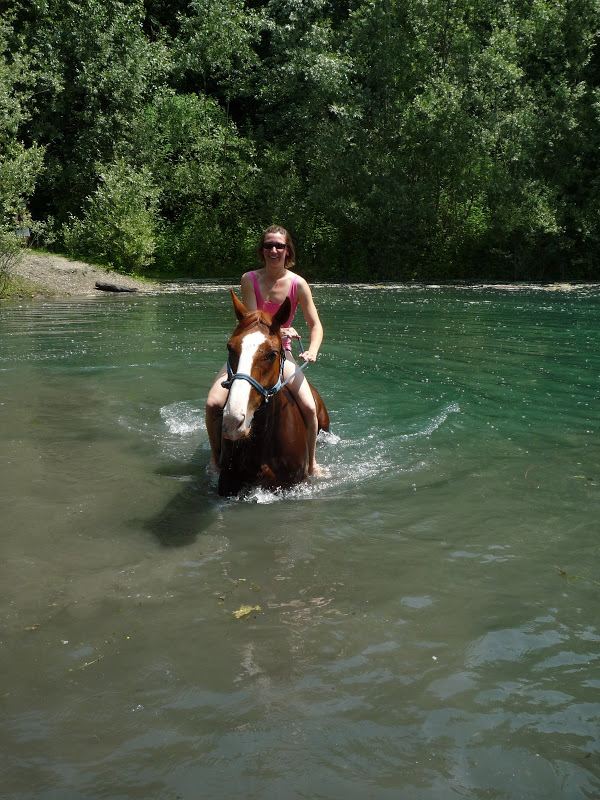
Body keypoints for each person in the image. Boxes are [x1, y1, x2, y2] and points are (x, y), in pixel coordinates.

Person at [206, 225, 324, 476]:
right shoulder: (249, 279)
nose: (274, 250)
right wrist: (281, 330)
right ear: (262, 250)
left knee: (310, 407)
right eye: (269, 245)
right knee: (213, 403)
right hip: (249, 351)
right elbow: (253, 323)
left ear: (287, 251)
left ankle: (312, 463)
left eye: (279, 246)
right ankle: (215, 461)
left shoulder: (298, 284)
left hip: (280, 353)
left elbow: (315, 324)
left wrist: (312, 350)